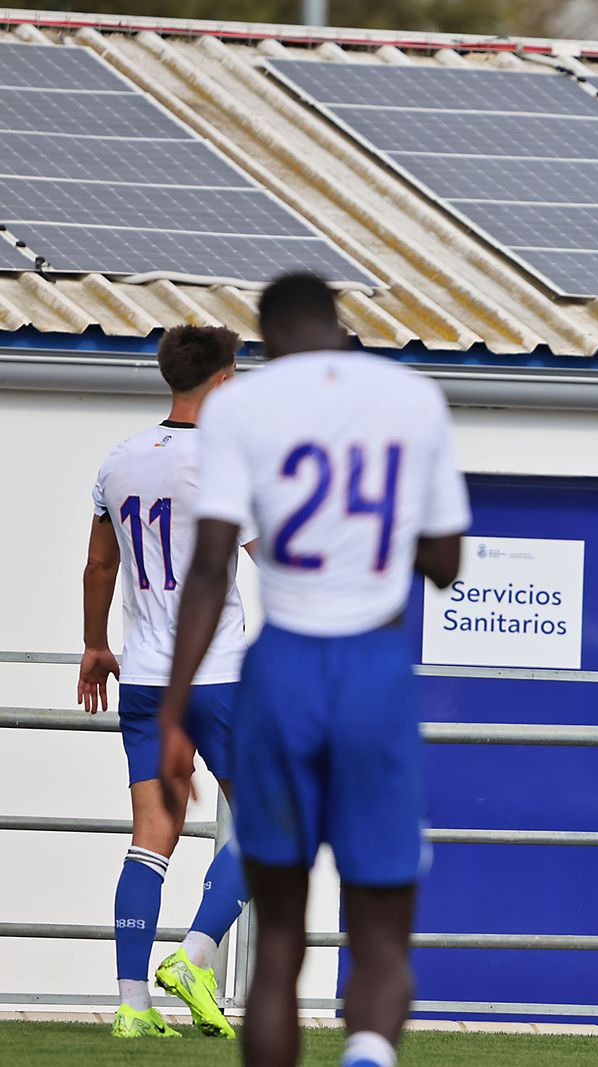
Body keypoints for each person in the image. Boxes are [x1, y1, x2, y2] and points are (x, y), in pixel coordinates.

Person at [156, 274, 471, 1067]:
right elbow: (445, 562)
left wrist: (173, 710)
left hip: (283, 666)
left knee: (278, 945)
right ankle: (366, 1049)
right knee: (381, 934)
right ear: (338, 325)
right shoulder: (411, 399)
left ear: (265, 341)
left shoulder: (240, 408)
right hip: (373, 663)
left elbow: (211, 565)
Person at [79, 324, 255, 1040]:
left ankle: (131, 1005)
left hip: (146, 677)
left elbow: (100, 565)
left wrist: (95, 644)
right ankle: (195, 955)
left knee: (151, 836)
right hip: (217, 676)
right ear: (222, 379)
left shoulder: (119, 460)